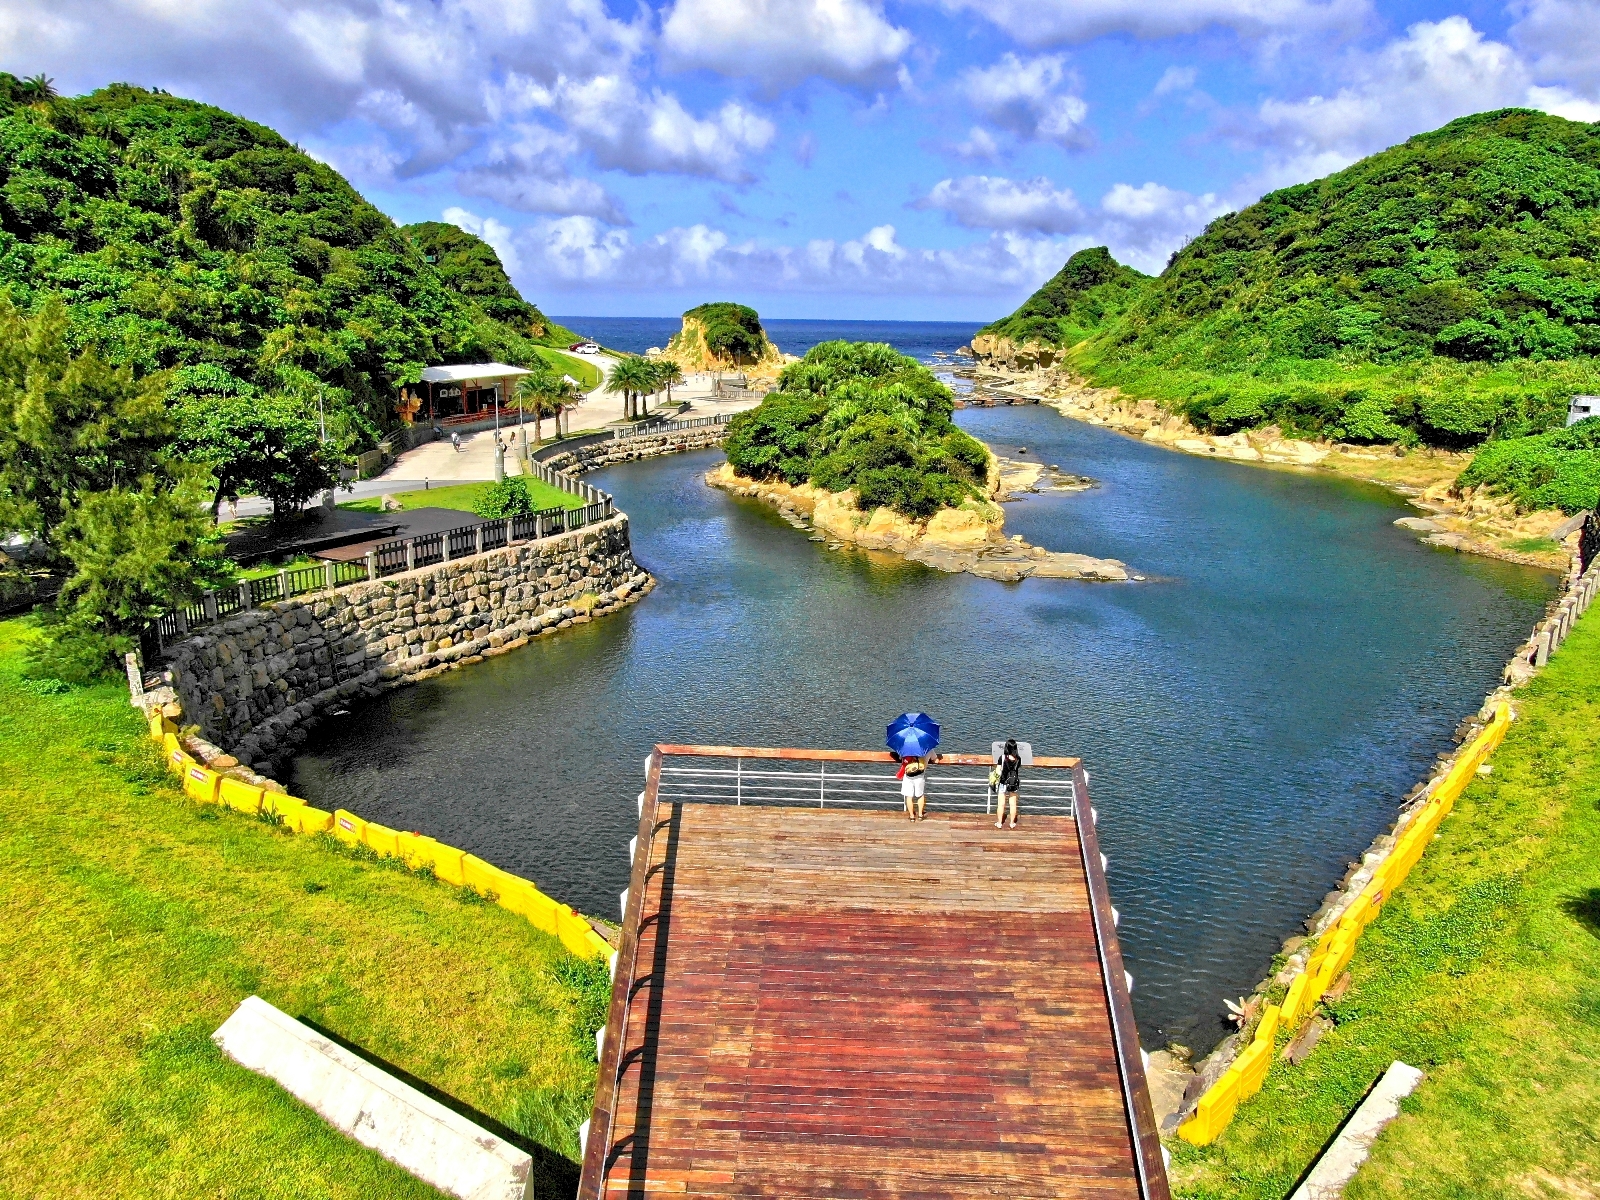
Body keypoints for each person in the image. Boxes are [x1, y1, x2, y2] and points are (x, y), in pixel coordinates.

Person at [994, 738, 1022, 830]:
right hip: (1013, 783)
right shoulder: (1018, 759)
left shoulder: (1002, 758)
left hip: (1003, 782)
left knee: (1001, 804)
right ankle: (1012, 823)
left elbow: (998, 771)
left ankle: (999, 823)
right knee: (1013, 804)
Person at [899, 751, 930, 821]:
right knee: (920, 795)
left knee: (909, 796)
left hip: (908, 776)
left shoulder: (905, 749)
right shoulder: (927, 748)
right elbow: (936, 759)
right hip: (920, 776)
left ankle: (912, 816)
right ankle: (920, 815)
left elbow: (900, 758)